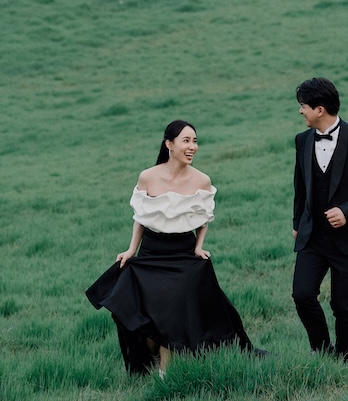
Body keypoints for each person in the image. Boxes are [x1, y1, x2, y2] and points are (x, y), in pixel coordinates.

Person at [86, 120, 258, 375]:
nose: (192, 147)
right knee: (132, 309)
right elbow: (141, 218)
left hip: (183, 254)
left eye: (195, 141)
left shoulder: (201, 180)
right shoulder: (148, 176)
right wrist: (131, 250)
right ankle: (153, 355)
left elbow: (204, 219)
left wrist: (199, 247)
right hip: (152, 253)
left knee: (174, 311)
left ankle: (165, 376)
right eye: (186, 141)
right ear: (169, 144)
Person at [291, 78, 348, 366]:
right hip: (313, 237)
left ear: (319, 109)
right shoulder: (302, 140)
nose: (300, 111)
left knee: (344, 306)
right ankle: (321, 350)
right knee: (302, 294)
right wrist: (297, 223)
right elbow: (300, 186)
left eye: (303, 106)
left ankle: (346, 363)